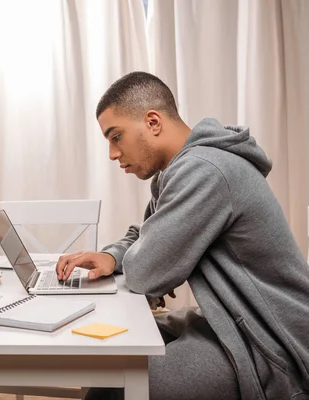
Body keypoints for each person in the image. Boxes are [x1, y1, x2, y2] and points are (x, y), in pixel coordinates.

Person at [56, 71, 309, 400]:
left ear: (152, 122)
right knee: (110, 353)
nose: (112, 154)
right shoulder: (178, 171)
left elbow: (146, 272)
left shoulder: (204, 170)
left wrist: (144, 260)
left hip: (269, 343)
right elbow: (144, 236)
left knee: (115, 389)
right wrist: (112, 256)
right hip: (228, 320)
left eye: (115, 136)